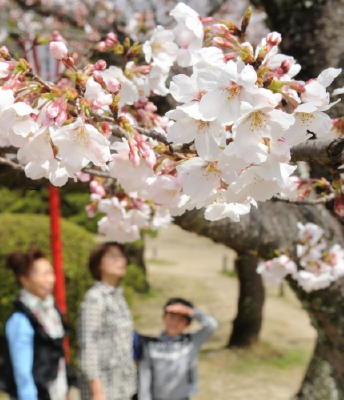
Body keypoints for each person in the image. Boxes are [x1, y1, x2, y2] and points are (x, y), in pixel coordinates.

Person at [3, 248, 68, 400]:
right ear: (24, 279)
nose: (51, 280)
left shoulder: (51, 312)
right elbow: (22, 373)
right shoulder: (21, 320)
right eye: (44, 275)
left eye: (51, 273)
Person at [78, 242, 136, 400]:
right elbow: (88, 346)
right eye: (113, 256)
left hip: (123, 386)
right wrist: (97, 392)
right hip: (104, 388)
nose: (121, 261)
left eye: (122, 256)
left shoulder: (118, 297)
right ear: (98, 264)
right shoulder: (94, 298)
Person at [137, 297, 218, 400]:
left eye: (180, 319)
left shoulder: (191, 342)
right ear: (163, 317)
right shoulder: (151, 345)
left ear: (188, 324)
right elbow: (145, 375)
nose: (174, 322)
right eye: (171, 317)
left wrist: (191, 312)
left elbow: (212, 325)